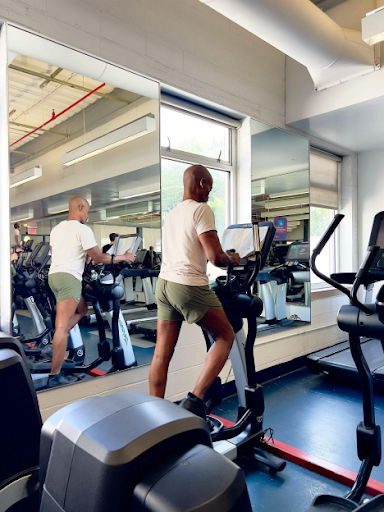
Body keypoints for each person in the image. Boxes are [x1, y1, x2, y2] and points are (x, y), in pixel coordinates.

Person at [149, 165, 241, 419]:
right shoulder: (201, 209)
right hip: (188, 285)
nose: (210, 193)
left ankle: (154, 415)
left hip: (164, 285)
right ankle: (195, 398)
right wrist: (233, 258)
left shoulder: (172, 214)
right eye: (209, 187)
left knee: (161, 353)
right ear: (201, 183)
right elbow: (215, 257)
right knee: (225, 336)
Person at [47, 196, 136, 389]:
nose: (87, 214)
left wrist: (83, 259)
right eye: (87, 210)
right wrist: (125, 256)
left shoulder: (57, 229)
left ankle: (57, 341)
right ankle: (55, 375)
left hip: (54, 276)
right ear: (80, 208)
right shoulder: (82, 229)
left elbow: (58, 253)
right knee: (62, 327)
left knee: (81, 309)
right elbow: (98, 256)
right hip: (68, 278)